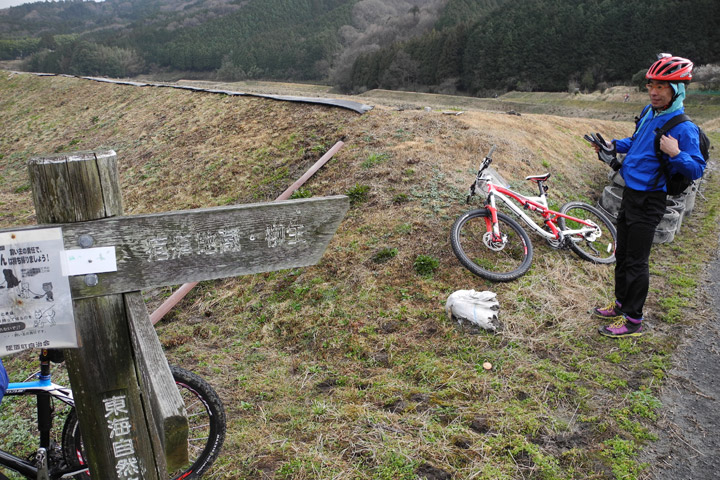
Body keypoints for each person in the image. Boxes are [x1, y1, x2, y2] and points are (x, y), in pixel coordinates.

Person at [589, 54, 705, 338]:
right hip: (631, 193)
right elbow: (637, 141)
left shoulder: (683, 127)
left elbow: (697, 167)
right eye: (651, 85)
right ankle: (620, 304)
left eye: (662, 86)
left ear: (677, 89)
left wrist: (676, 154)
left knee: (637, 261)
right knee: (623, 254)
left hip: (651, 199)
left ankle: (633, 321)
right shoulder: (649, 112)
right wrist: (613, 144)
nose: (654, 91)